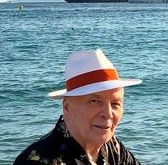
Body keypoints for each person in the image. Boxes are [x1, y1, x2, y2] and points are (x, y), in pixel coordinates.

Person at [14, 49, 143, 165]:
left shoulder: (112, 148)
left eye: (115, 104)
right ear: (67, 107)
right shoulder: (39, 160)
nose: (108, 114)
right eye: (94, 101)